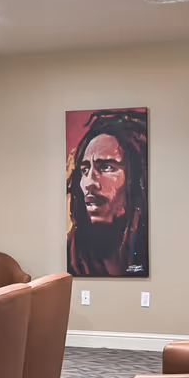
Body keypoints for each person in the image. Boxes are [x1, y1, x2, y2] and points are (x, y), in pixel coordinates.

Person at [66, 109, 149, 276]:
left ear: (136, 178)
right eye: (84, 169)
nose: (89, 183)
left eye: (106, 167)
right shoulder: (74, 252)